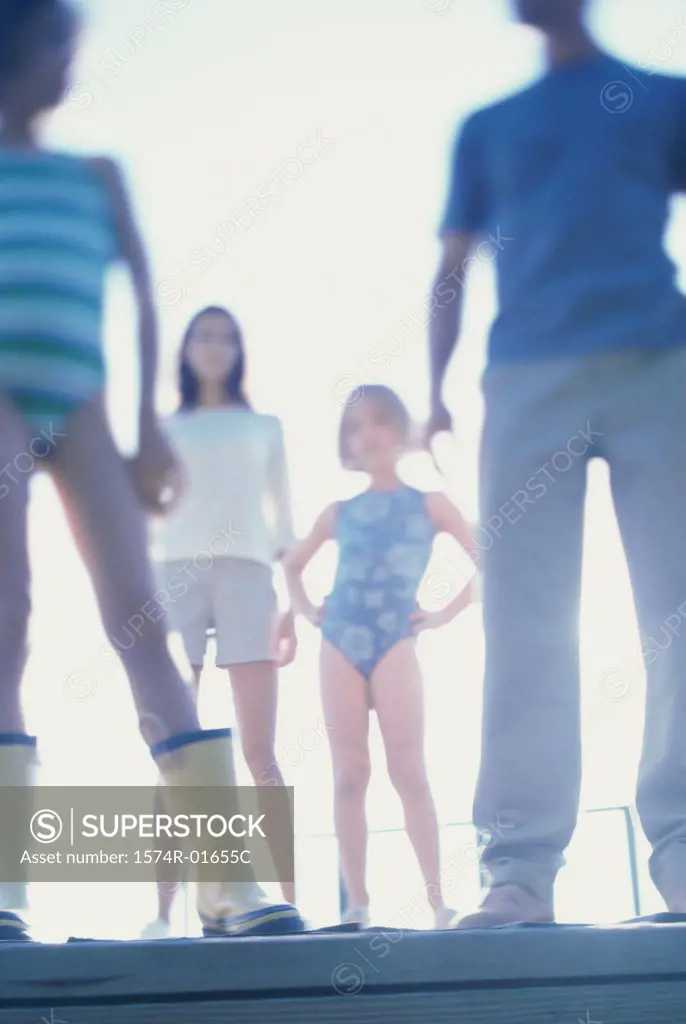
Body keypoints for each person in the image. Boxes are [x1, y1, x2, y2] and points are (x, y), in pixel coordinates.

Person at [0, 0, 303, 940]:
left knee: (141, 621)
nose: (68, 65)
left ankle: (228, 885)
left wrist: (142, 427)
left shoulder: (95, 173)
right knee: (7, 618)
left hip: (83, 404)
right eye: (58, 47)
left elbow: (137, 296)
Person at [426, 0, 686, 928]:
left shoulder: (663, 100)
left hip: (659, 368)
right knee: (526, 620)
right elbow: (451, 266)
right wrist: (435, 390)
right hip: (527, 380)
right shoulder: (488, 128)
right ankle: (521, 874)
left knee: (678, 610)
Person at [284, 385, 478, 928]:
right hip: (341, 639)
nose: (367, 434)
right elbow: (292, 566)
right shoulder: (338, 511)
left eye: (379, 421)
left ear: (399, 429)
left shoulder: (430, 503)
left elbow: (487, 557)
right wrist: (306, 611)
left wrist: (444, 613)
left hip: (396, 638)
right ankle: (358, 905)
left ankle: (439, 903)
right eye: (355, 426)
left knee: (409, 770)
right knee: (349, 774)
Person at [141, 305, 299, 938]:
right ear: (184, 350)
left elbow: (284, 522)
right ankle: (160, 914)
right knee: (176, 755)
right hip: (173, 577)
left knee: (261, 753)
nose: (216, 347)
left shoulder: (266, 425)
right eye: (204, 335)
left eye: (227, 337)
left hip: (249, 577)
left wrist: (290, 604)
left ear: (239, 351)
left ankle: (288, 900)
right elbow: (140, 509)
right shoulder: (162, 426)